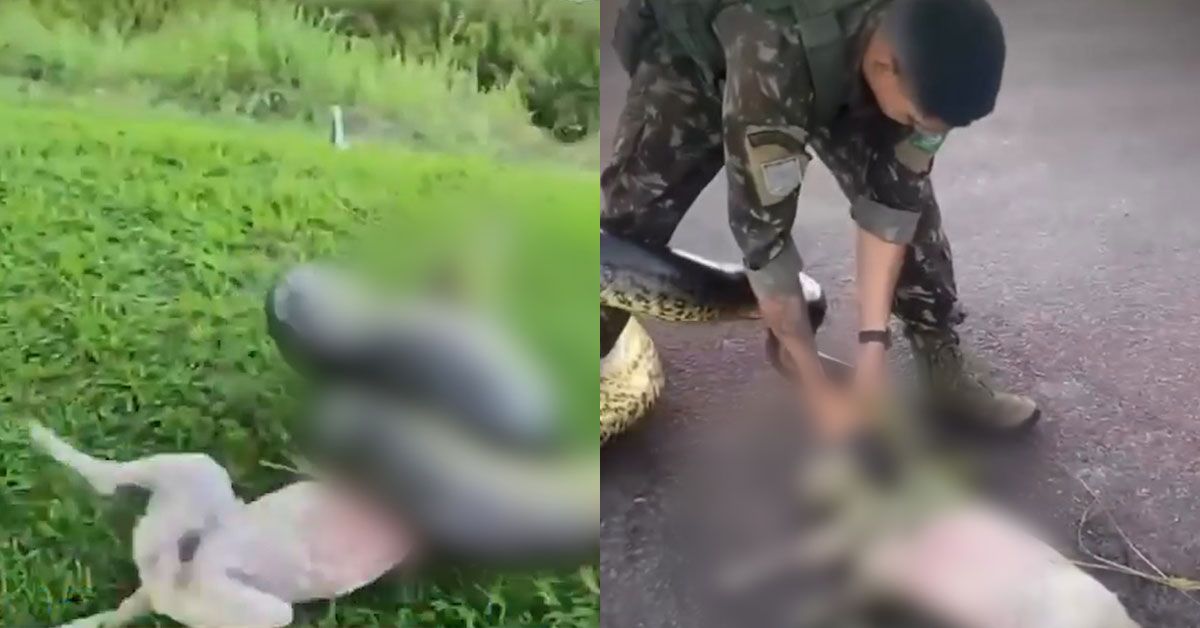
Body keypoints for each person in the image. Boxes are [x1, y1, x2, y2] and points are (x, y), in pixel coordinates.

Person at [602, 0, 1039, 442]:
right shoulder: (772, 62)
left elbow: (894, 206)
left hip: (839, 59)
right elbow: (764, 240)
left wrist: (872, 351)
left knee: (907, 202)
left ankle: (940, 360)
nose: (926, 136)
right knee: (619, 238)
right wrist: (820, 395)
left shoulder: (925, 39)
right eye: (916, 120)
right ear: (885, 65)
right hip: (697, 61)